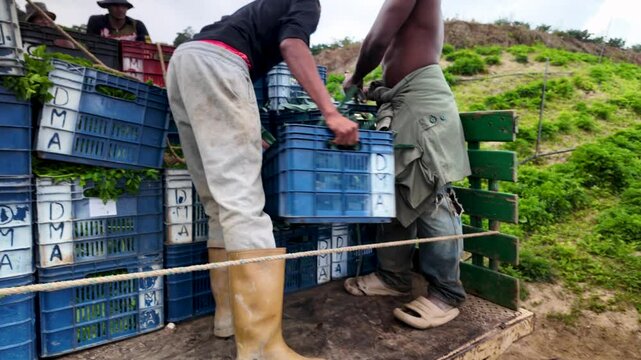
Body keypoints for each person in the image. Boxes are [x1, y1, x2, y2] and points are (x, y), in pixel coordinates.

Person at [166, 0, 358, 359]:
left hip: (185, 62)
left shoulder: (263, 7)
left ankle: (228, 319)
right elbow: (292, 45)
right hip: (221, 63)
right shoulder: (306, 2)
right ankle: (262, 348)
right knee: (245, 207)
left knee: (220, 204)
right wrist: (330, 111)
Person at [342, 0, 472, 330]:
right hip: (401, 101)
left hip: (422, 101)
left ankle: (447, 292)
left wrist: (356, 77)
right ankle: (393, 277)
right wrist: (378, 90)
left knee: (431, 192)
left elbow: (377, 39)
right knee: (395, 191)